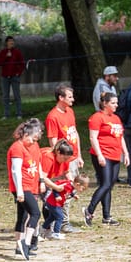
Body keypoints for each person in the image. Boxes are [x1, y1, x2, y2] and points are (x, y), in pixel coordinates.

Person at [84, 92, 131, 226]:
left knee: (109, 186)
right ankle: (89, 210)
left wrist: (126, 153)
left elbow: (120, 136)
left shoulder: (116, 118)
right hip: (103, 154)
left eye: (116, 103)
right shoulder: (97, 117)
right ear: (105, 103)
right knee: (105, 184)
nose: (116, 105)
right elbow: (93, 138)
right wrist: (99, 155)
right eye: (113, 103)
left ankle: (107, 217)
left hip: (115, 155)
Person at [45, 84, 84, 233]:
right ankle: (62, 223)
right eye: (70, 97)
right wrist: (59, 162)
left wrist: (79, 155)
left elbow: (75, 134)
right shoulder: (53, 117)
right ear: (60, 98)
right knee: (65, 190)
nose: (73, 99)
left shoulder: (70, 111)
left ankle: (60, 220)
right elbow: (53, 142)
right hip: (63, 160)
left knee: (70, 189)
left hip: (73, 158)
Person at [7, 118, 44, 260]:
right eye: (33, 138)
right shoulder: (17, 147)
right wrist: (20, 191)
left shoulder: (33, 146)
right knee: (35, 213)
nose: (34, 141)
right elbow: (16, 170)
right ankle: (26, 243)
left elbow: (37, 163)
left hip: (31, 184)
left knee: (22, 216)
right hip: (22, 186)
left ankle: (19, 246)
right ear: (26, 134)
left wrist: (41, 180)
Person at [41, 172, 89, 239]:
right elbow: (55, 188)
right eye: (82, 188)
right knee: (60, 217)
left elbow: (69, 192)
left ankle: (42, 229)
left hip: (56, 204)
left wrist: (73, 195)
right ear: (78, 184)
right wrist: (57, 196)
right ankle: (56, 233)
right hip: (53, 203)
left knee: (52, 218)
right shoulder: (67, 185)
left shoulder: (71, 186)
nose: (82, 190)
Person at [0, 36, 25, 119]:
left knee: (17, 95)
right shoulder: (3, 52)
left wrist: (18, 73)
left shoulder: (17, 52)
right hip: (5, 77)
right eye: (9, 41)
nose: (11, 43)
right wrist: (6, 57)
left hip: (14, 77)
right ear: (6, 43)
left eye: (12, 41)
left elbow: (22, 64)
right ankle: (6, 114)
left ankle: (19, 113)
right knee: (6, 96)